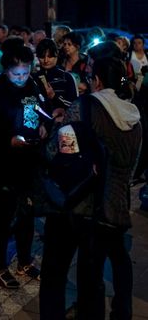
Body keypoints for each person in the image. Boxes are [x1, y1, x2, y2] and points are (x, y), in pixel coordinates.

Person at [39, 57, 142, 319]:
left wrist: (56, 125)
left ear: (96, 80)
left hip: (75, 203)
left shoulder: (85, 106)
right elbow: (131, 167)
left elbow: (55, 152)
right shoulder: (135, 117)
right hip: (111, 206)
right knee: (92, 278)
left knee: (55, 272)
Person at [0, 41, 46, 288]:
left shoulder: (32, 86)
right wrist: (9, 140)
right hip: (2, 163)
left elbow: (38, 112)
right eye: (16, 73)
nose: (21, 78)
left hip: (29, 160)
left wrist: (42, 126)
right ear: (6, 69)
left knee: (27, 213)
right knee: (5, 216)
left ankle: (24, 261)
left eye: (26, 72)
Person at [34, 38, 78, 112]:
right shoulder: (33, 78)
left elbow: (75, 105)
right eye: (42, 57)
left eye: (50, 56)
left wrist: (54, 96)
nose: (46, 60)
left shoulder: (67, 77)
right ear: (37, 57)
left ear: (56, 55)